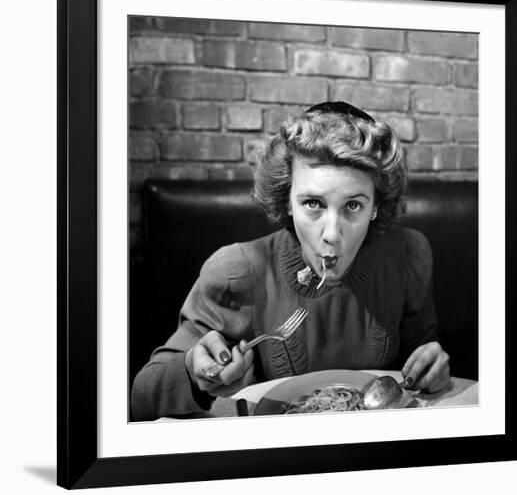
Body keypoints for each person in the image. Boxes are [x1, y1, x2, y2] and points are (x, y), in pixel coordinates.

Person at [131, 101, 450, 421]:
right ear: (287, 202)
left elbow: (420, 359)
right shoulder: (235, 271)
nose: (332, 234)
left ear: (376, 207)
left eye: (353, 205)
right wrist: (193, 372)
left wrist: (431, 367)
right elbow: (142, 397)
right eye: (313, 203)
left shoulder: (409, 255)